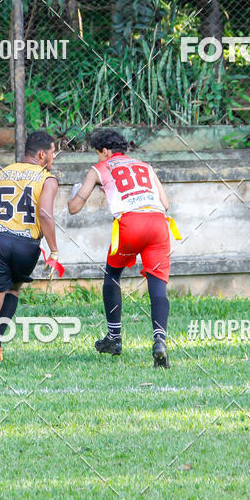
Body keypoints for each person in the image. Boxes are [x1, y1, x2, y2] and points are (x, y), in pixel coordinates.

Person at [68, 128, 172, 368]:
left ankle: (114, 337)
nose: (98, 158)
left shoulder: (100, 168)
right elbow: (165, 204)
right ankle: (159, 340)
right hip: (157, 223)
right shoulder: (145, 166)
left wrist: (73, 194)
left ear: (104, 151)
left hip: (130, 224)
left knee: (112, 275)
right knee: (157, 283)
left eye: (98, 154)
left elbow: (74, 207)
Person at [0, 130, 60, 371]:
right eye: (53, 153)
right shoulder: (47, 178)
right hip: (27, 247)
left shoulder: (2, 173)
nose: (53, 159)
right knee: (12, 290)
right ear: (42, 154)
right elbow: (44, 214)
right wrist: (54, 250)